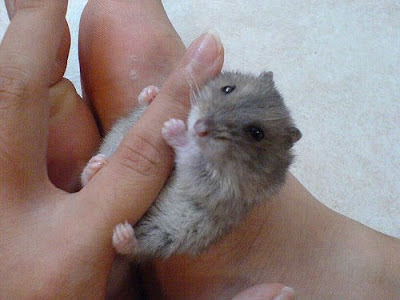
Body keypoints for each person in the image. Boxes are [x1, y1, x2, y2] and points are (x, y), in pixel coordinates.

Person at [0, 1, 398, 299]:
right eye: (225, 90)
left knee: (170, 205)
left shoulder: (239, 182)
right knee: (144, 145)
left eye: (256, 133)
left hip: (191, 217)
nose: (207, 123)